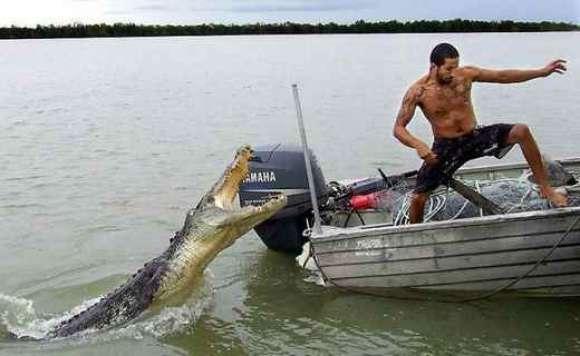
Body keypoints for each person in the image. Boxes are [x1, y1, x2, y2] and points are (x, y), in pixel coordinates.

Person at [393, 42, 568, 224]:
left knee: (521, 131)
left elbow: (503, 76)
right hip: (446, 147)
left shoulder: (466, 75)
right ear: (433, 66)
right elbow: (398, 128)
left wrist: (542, 72)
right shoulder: (418, 92)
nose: (453, 73)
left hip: (474, 137)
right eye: (448, 68)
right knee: (418, 198)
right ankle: (417, 235)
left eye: (456, 67)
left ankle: (546, 188)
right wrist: (419, 145)